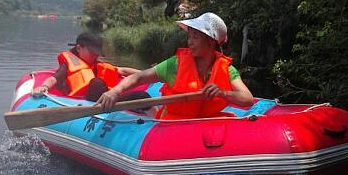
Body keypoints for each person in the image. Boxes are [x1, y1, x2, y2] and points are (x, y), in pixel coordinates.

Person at [97, 13, 254, 119]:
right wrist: (115, 91)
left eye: (195, 37)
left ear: (211, 41)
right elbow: (139, 77)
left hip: (204, 127)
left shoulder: (227, 69)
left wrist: (222, 93)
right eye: (189, 36)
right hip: (172, 127)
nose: (189, 42)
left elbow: (247, 99)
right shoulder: (176, 64)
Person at [32, 32, 141, 101]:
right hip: (83, 102)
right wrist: (44, 87)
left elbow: (122, 70)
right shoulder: (68, 65)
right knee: (97, 83)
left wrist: (144, 73)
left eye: (97, 53)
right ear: (79, 48)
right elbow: (53, 78)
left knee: (141, 95)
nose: (95, 56)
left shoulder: (96, 64)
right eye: (92, 53)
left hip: (106, 100)